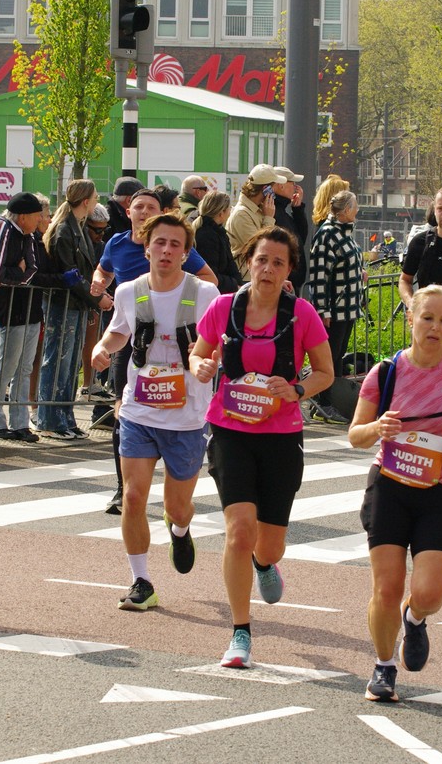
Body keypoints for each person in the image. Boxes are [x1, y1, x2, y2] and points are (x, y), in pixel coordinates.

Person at [187, 226, 335, 669]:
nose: (268, 269)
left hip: (281, 436)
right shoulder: (223, 308)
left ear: (289, 271)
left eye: (278, 262)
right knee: (239, 531)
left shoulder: (301, 314)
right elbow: (198, 354)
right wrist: (201, 366)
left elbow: (325, 373)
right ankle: (240, 632)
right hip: (230, 430)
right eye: (261, 260)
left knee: (267, 546)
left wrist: (296, 389)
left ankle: (265, 565)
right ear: (248, 262)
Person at [348, 285, 442, 702]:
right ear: (411, 318)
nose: (434, 327)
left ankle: (414, 618)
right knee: (386, 588)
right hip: (389, 486)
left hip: (439, 490)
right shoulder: (386, 372)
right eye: (427, 318)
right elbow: (356, 435)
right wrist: (378, 427)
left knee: (430, 593)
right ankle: (383, 666)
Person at [89, 213, 220, 611]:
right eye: (159, 243)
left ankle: (179, 529)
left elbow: (217, 343)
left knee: (177, 506)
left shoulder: (205, 294)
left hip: (187, 415)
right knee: (132, 496)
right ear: (146, 248)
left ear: (186, 252)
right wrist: (102, 347)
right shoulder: (130, 291)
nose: (166, 250)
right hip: (139, 410)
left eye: (175, 244)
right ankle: (141, 581)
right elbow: (119, 331)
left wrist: (207, 362)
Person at [0, 193, 49, 441]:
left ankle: (19, 422)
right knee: (6, 367)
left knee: (24, 368)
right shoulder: (4, 230)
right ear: (23, 216)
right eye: (37, 215)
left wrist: (16, 275)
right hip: (10, 310)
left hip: (30, 310)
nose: (40, 219)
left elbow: (32, 269)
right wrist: (18, 273)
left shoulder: (28, 236)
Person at [38, 179, 111, 440]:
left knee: (69, 364)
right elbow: (70, 273)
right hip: (63, 304)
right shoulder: (64, 230)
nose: (97, 201)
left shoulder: (76, 227)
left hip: (76, 304)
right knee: (57, 361)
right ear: (85, 201)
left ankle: (65, 417)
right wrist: (95, 299)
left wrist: (96, 294)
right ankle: (49, 419)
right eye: (95, 197)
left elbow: (82, 272)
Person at [307, 189, 365, 425]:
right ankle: (324, 403)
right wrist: (323, 310)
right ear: (347, 210)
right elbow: (320, 275)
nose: (357, 210)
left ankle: (332, 402)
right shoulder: (328, 234)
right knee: (328, 358)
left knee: (337, 356)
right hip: (336, 309)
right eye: (355, 206)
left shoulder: (344, 232)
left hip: (347, 307)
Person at [225, 164, 283, 271]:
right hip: (246, 276)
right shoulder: (241, 214)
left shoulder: (259, 209)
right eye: (274, 186)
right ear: (266, 189)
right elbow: (261, 248)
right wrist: (268, 218)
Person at [192, 191, 243, 294]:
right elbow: (211, 273)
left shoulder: (218, 232)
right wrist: (234, 285)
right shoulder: (207, 236)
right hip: (212, 293)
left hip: (223, 289)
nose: (230, 211)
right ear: (221, 213)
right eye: (229, 208)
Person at [269, 166, 309, 291]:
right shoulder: (272, 211)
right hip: (283, 283)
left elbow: (300, 239)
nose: (295, 187)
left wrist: (297, 209)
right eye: (292, 183)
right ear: (281, 185)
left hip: (290, 283)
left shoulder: (281, 211)